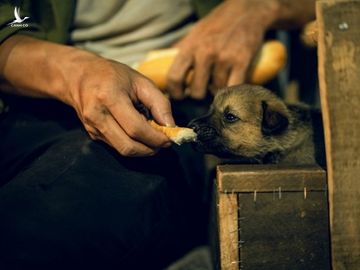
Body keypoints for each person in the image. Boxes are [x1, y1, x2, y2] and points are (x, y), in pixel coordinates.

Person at [0, 0, 315, 269]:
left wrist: (260, 6)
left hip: (179, 100)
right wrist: (74, 72)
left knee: (50, 224)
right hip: (30, 98)